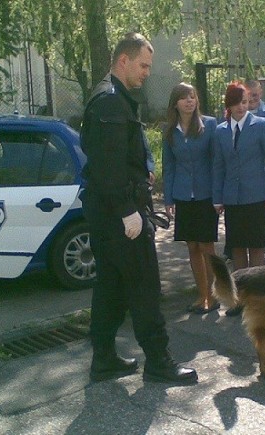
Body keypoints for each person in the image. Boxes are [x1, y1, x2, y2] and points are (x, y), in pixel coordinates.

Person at [80, 32, 197, 385]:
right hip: (119, 215)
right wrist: (128, 210)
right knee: (144, 287)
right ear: (123, 61)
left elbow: (114, 159)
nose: (147, 72)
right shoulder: (111, 101)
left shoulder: (112, 97)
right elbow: (107, 166)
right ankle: (159, 362)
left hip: (108, 214)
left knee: (111, 289)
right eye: (143, 65)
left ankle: (103, 360)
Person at [212, 81, 265, 315]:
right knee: (237, 248)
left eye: (244, 102)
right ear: (229, 105)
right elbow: (218, 166)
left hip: (257, 196)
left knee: (257, 248)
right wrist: (218, 197)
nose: (241, 107)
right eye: (236, 103)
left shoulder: (261, 125)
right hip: (232, 198)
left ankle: (259, 300)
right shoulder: (221, 131)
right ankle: (240, 298)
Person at [162, 83, 220, 314]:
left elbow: (217, 162)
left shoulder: (210, 125)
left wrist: (219, 196)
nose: (189, 101)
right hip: (183, 195)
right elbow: (169, 167)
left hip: (206, 196)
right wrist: (168, 200)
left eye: (192, 97)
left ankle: (215, 295)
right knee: (192, 246)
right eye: (184, 97)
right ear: (175, 102)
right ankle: (202, 295)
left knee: (207, 245)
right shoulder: (169, 130)